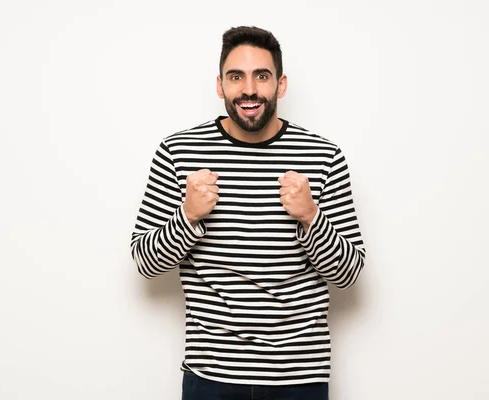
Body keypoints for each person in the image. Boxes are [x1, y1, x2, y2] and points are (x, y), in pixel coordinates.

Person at [130, 25, 366, 400]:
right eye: (236, 77)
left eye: (262, 76)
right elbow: (144, 261)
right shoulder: (178, 152)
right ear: (220, 85)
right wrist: (187, 217)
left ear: (281, 84)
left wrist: (311, 218)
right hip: (211, 377)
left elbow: (350, 273)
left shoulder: (323, 157)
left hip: (300, 378)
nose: (250, 89)